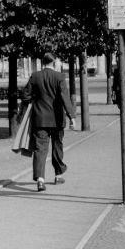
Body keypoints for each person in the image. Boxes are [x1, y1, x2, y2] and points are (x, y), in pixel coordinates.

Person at [22, 52, 76, 192]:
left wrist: (34, 101)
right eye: (57, 61)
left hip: (40, 119)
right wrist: (72, 117)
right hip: (57, 120)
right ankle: (58, 175)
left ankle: (40, 180)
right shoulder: (59, 77)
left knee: (40, 149)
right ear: (53, 62)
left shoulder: (35, 76)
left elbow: (25, 95)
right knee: (57, 147)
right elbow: (65, 98)